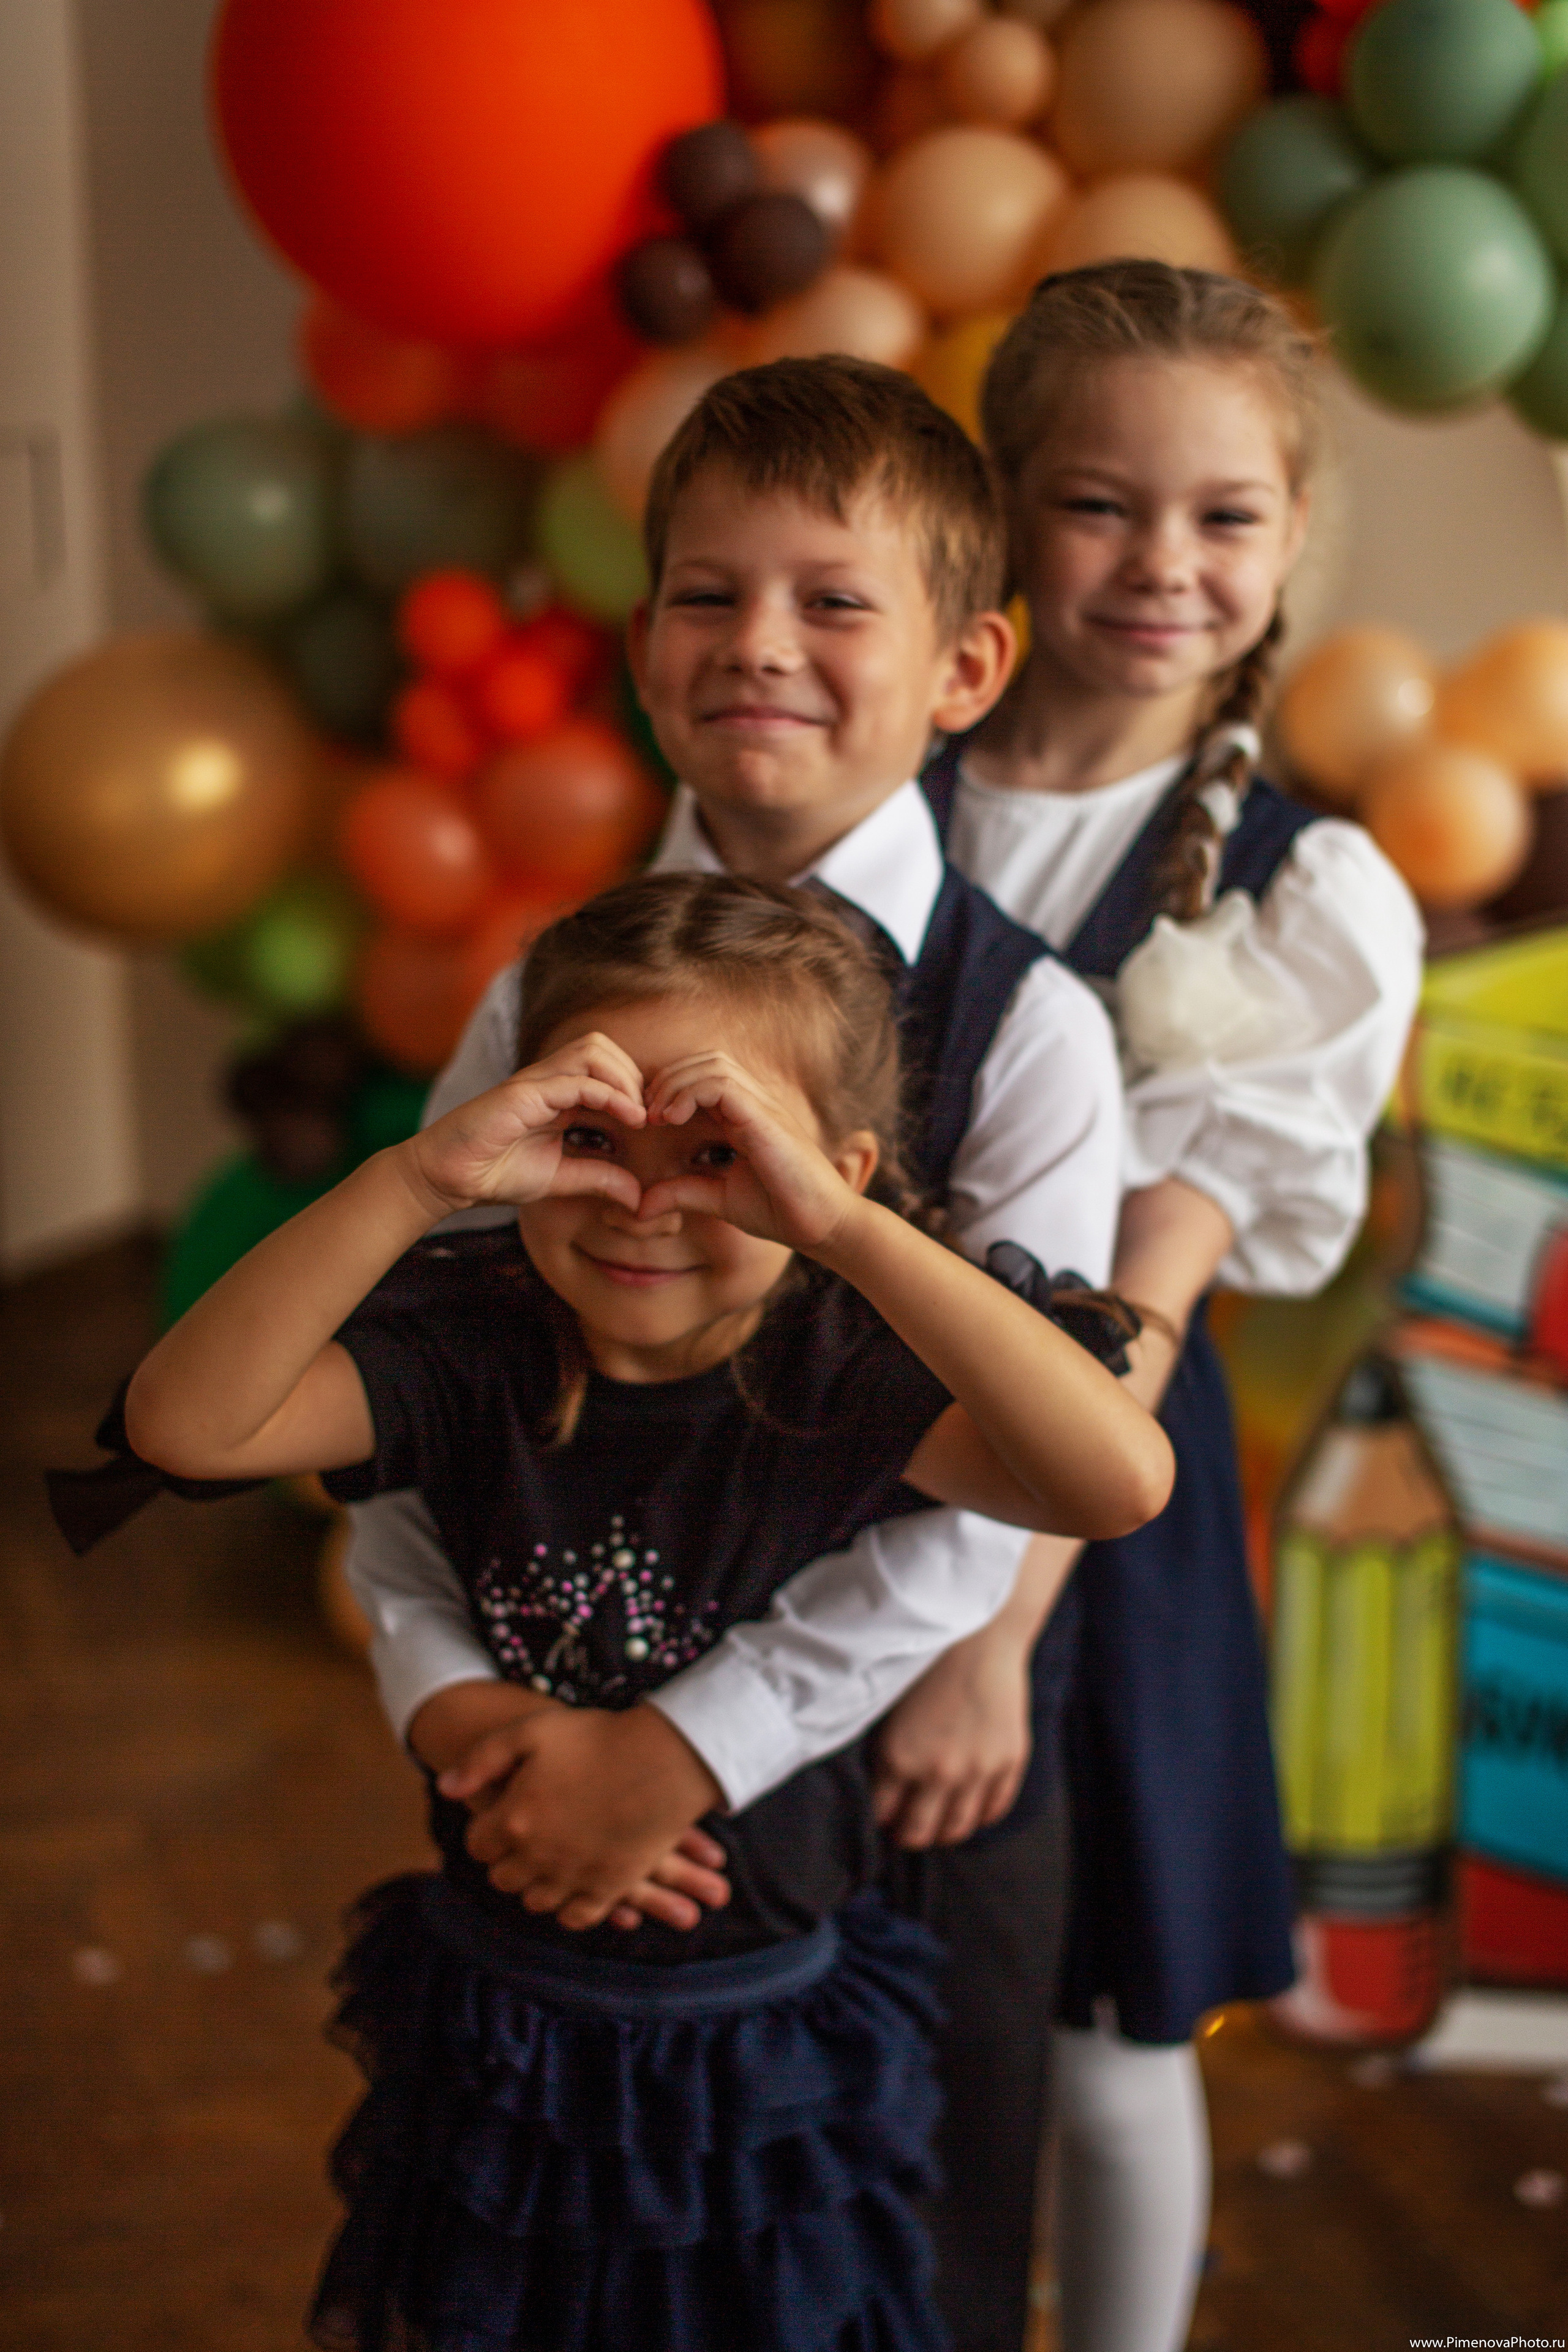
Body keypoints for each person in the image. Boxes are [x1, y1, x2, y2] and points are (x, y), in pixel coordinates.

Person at [115, 869, 1174, 2352]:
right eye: (592, 1143)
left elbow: (1116, 1483)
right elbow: (181, 1428)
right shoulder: (475, 1342)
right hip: (505, 2026)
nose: (650, 1205)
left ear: (827, 1172)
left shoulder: (838, 1364)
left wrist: (842, 1228)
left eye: (720, 1156)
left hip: (770, 2045)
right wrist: (419, 1181)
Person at [344, 358, 1128, 2348]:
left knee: (900, 2261)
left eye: (831, 600)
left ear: (966, 667)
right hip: (530, 1767)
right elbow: (424, 1382)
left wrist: (692, 1748)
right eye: (707, 594)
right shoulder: (537, 993)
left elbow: (1009, 1465)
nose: (759, 643)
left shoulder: (1033, 1029)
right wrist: (452, 1700)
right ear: (642, 644)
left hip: (899, 1768)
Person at [872, 260, 1425, 2352]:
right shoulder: (870, 776)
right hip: (837, 1446)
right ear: (1006, 504)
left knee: (1106, 2048)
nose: (1164, 564)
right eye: (1101, 504)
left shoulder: (1302, 894)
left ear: (1293, 538)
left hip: (1080, 1529)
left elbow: (1138, 1309)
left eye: (1224, 516)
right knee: (865, 2002)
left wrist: (988, 1643)